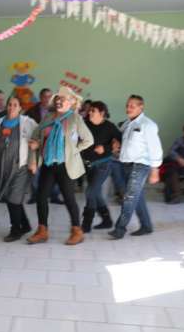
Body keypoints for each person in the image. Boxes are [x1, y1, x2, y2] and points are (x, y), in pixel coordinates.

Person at [27, 87, 94, 246]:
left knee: (69, 198)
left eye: (63, 99)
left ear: (71, 102)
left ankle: (77, 231)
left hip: (66, 165)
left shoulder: (75, 118)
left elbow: (88, 140)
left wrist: (72, 151)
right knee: (41, 197)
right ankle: (42, 230)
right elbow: (35, 137)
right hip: (49, 163)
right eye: (57, 98)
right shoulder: (48, 117)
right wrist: (34, 155)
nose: (59, 101)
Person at [109, 95, 163, 239]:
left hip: (141, 165)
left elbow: (155, 148)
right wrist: (115, 145)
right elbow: (123, 142)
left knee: (129, 197)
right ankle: (146, 226)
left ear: (141, 107)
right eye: (127, 105)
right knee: (136, 197)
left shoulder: (148, 125)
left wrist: (155, 170)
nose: (128, 108)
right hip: (126, 164)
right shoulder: (127, 124)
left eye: (132, 106)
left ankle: (120, 229)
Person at [0, 96, 37, 242]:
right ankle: (26, 225)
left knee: (13, 198)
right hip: (2, 167)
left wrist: (34, 161)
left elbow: (38, 138)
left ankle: (16, 229)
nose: (11, 107)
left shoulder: (28, 122)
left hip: (20, 166)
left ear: (20, 107)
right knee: (10, 197)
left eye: (15, 105)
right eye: (9, 104)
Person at [80, 101, 122, 232]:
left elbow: (121, 141)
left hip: (103, 165)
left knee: (90, 192)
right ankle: (107, 220)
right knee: (95, 193)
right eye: (89, 110)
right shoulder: (85, 124)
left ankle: (86, 224)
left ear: (102, 113)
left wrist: (106, 148)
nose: (90, 113)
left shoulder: (109, 127)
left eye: (93, 111)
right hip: (88, 165)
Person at [25, 89, 64, 205]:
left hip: (53, 146)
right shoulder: (31, 111)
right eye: (45, 97)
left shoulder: (58, 111)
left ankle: (54, 196)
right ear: (40, 98)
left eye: (49, 97)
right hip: (36, 146)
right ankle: (35, 195)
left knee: (54, 172)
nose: (47, 99)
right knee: (35, 173)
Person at [163, 122, 184, 204]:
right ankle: (175, 196)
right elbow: (171, 151)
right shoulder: (180, 140)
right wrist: (179, 159)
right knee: (170, 171)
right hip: (180, 165)